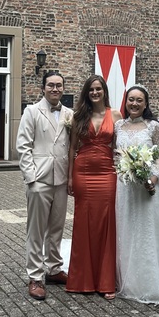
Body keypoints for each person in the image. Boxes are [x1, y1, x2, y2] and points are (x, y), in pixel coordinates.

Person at [114, 85, 159, 305]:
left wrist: (153, 180)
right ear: (126, 102)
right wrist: (122, 170)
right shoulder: (118, 126)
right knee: (126, 229)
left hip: (148, 187)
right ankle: (128, 280)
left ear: (146, 103)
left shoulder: (153, 126)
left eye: (139, 100)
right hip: (125, 187)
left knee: (147, 232)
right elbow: (115, 155)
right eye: (131, 99)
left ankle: (149, 283)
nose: (134, 104)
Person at [16, 70, 73, 300]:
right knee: (36, 230)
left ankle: (54, 268)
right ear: (43, 88)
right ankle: (35, 276)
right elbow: (23, 146)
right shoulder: (31, 111)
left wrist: (70, 177)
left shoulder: (69, 114)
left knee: (57, 228)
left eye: (59, 85)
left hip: (61, 179)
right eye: (51, 85)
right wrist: (31, 178)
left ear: (63, 88)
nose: (55, 89)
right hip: (39, 179)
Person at [66, 75, 122, 299]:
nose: (95, 93)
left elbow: (119, 147)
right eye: (91, 89)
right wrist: (70, 178)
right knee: (83, 223)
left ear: (104, 91)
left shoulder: (115, 115)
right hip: (83, 172)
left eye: (98, 89)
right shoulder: (79, 116)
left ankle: (105, 281)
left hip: (107, 173)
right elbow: (72, 148)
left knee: (106, 223)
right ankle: (82, 280)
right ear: (86, 93)